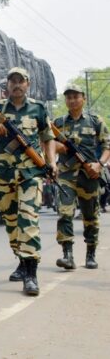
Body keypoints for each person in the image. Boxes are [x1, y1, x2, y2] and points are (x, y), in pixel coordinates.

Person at [0, 67, 55, 296]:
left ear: (28, 84)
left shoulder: (38, 108)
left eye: (21, 81)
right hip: (4, 174)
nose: (16, 85)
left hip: (30, 174)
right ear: (7, 85)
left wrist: (51, 163)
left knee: (28, 220)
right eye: (12, 81)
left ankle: (31, 274)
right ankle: (22, 261)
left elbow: (48, 138)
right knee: (11, 221)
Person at [53, 84, 110, 270]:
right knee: (64, 213)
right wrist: (56, 150)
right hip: (66, 176)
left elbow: (107, 146)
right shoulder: (58, 123)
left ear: (83, 98)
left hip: (89, 175)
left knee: (90, 216)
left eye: (75, 96)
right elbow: (48, 143)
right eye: (68, 97)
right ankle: (67, 255)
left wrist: (99, 164)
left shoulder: (95, 121)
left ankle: (90, 254)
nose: (72, 100)